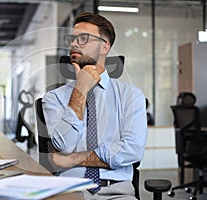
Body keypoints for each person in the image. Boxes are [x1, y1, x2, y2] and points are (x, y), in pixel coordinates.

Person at [42, 12, 147, 200]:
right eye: (72, 39)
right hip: (68, 191)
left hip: (117, 192)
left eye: (83, 38)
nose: (74, 44)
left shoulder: (131, 96)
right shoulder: (53, 98)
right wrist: (81, 89)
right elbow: (63, 146)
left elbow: (132, 149)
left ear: (105, 46)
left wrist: (73, 159)